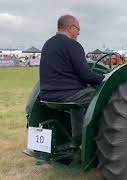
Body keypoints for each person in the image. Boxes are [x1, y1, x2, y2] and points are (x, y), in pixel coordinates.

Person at [40, 14, 104, 147]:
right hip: (67, 95)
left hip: (46, 96)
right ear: (71, 28)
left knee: (77, 105)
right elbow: (86, 75)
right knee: (106, 96)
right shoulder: (73, 45)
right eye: (78, 29)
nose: (79, 33)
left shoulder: (47, 44)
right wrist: (105, 78)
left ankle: (76, 141)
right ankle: (101, 142)